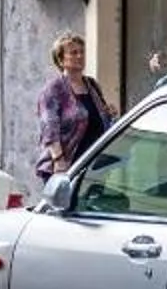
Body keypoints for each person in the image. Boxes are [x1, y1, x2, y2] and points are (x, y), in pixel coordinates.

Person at [35, 32, 113, 185]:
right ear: (61, 59)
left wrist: (108, 112)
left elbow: (98, 117)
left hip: (93, 164)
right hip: (66, 165)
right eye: (74, 53)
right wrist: (58, 160)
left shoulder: (91, 85)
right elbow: (49, 129)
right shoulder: (53, 89)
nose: (80, 56)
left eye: (82, 52)